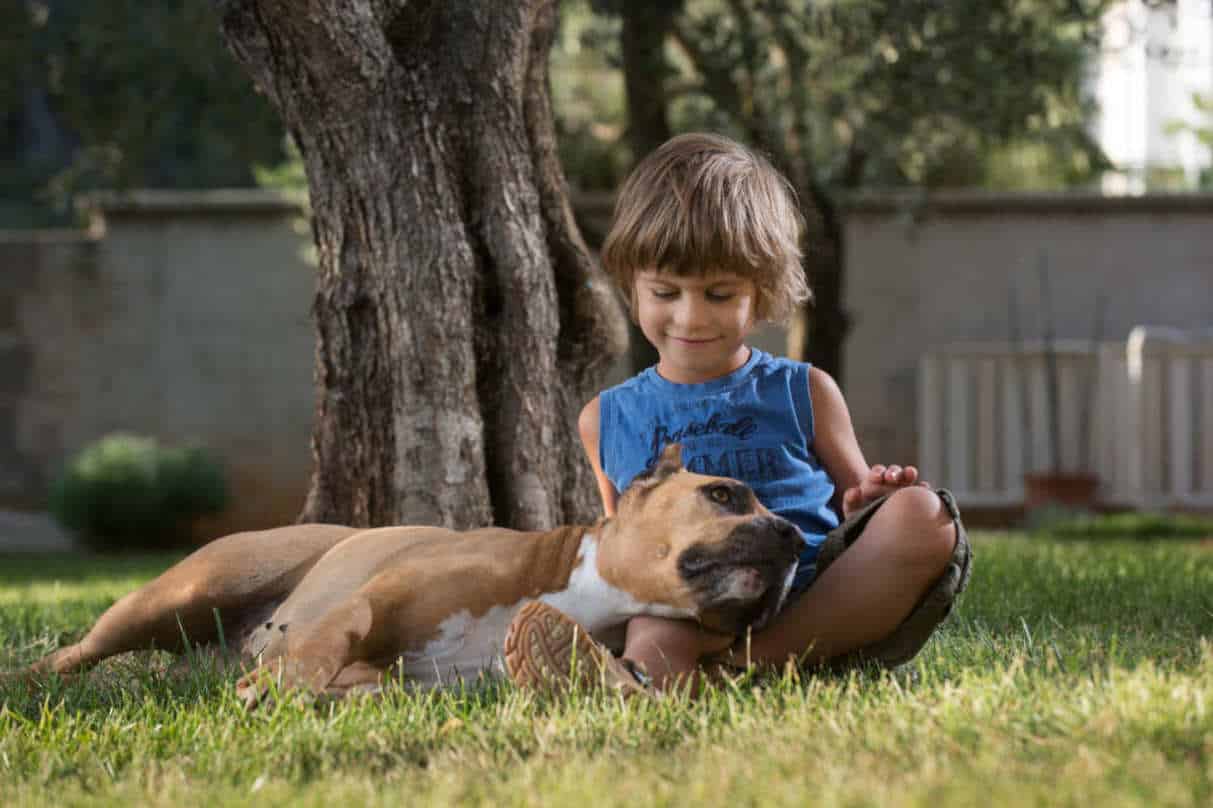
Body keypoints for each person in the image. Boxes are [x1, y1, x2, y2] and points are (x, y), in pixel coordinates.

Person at [503, 132, 971, 694]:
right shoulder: (604, 420)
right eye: (666, 292)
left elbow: (858, 507)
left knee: (923, 516)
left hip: (813, 592)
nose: (692, 317)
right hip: (696, 602)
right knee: (652, 620)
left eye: (719, 295)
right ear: (632, 286)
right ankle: (650, 678)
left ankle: (749, 663)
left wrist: (870, 499)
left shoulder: (805, 390)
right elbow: (626, 548)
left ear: (764, 289)